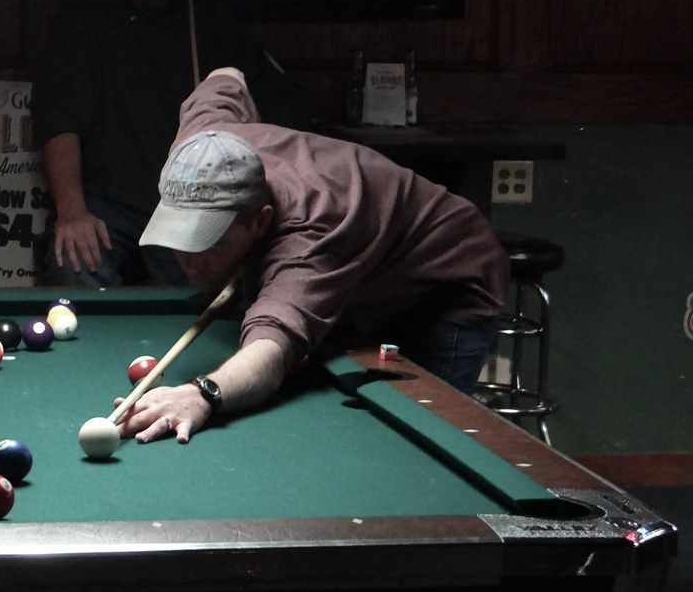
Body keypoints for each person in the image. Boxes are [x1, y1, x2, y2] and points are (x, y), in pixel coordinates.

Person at [114, 67, 509, 445]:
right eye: (181, 237)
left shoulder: (312, 232)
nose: (190, 261)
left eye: (211, 241)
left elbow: (270, 351)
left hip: (445, 284)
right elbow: (226, 76)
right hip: (363, 263)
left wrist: (202, 393)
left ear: (259, 222)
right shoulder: (199, 142)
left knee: (425, 448)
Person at [30, 0, 305, 288]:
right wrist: (72, 212)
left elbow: (278, 106)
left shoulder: (209, 14)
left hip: (188, 199)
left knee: (204, 282)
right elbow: (58, 117)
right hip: (107, 202)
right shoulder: (84, 17)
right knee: (73, 264)